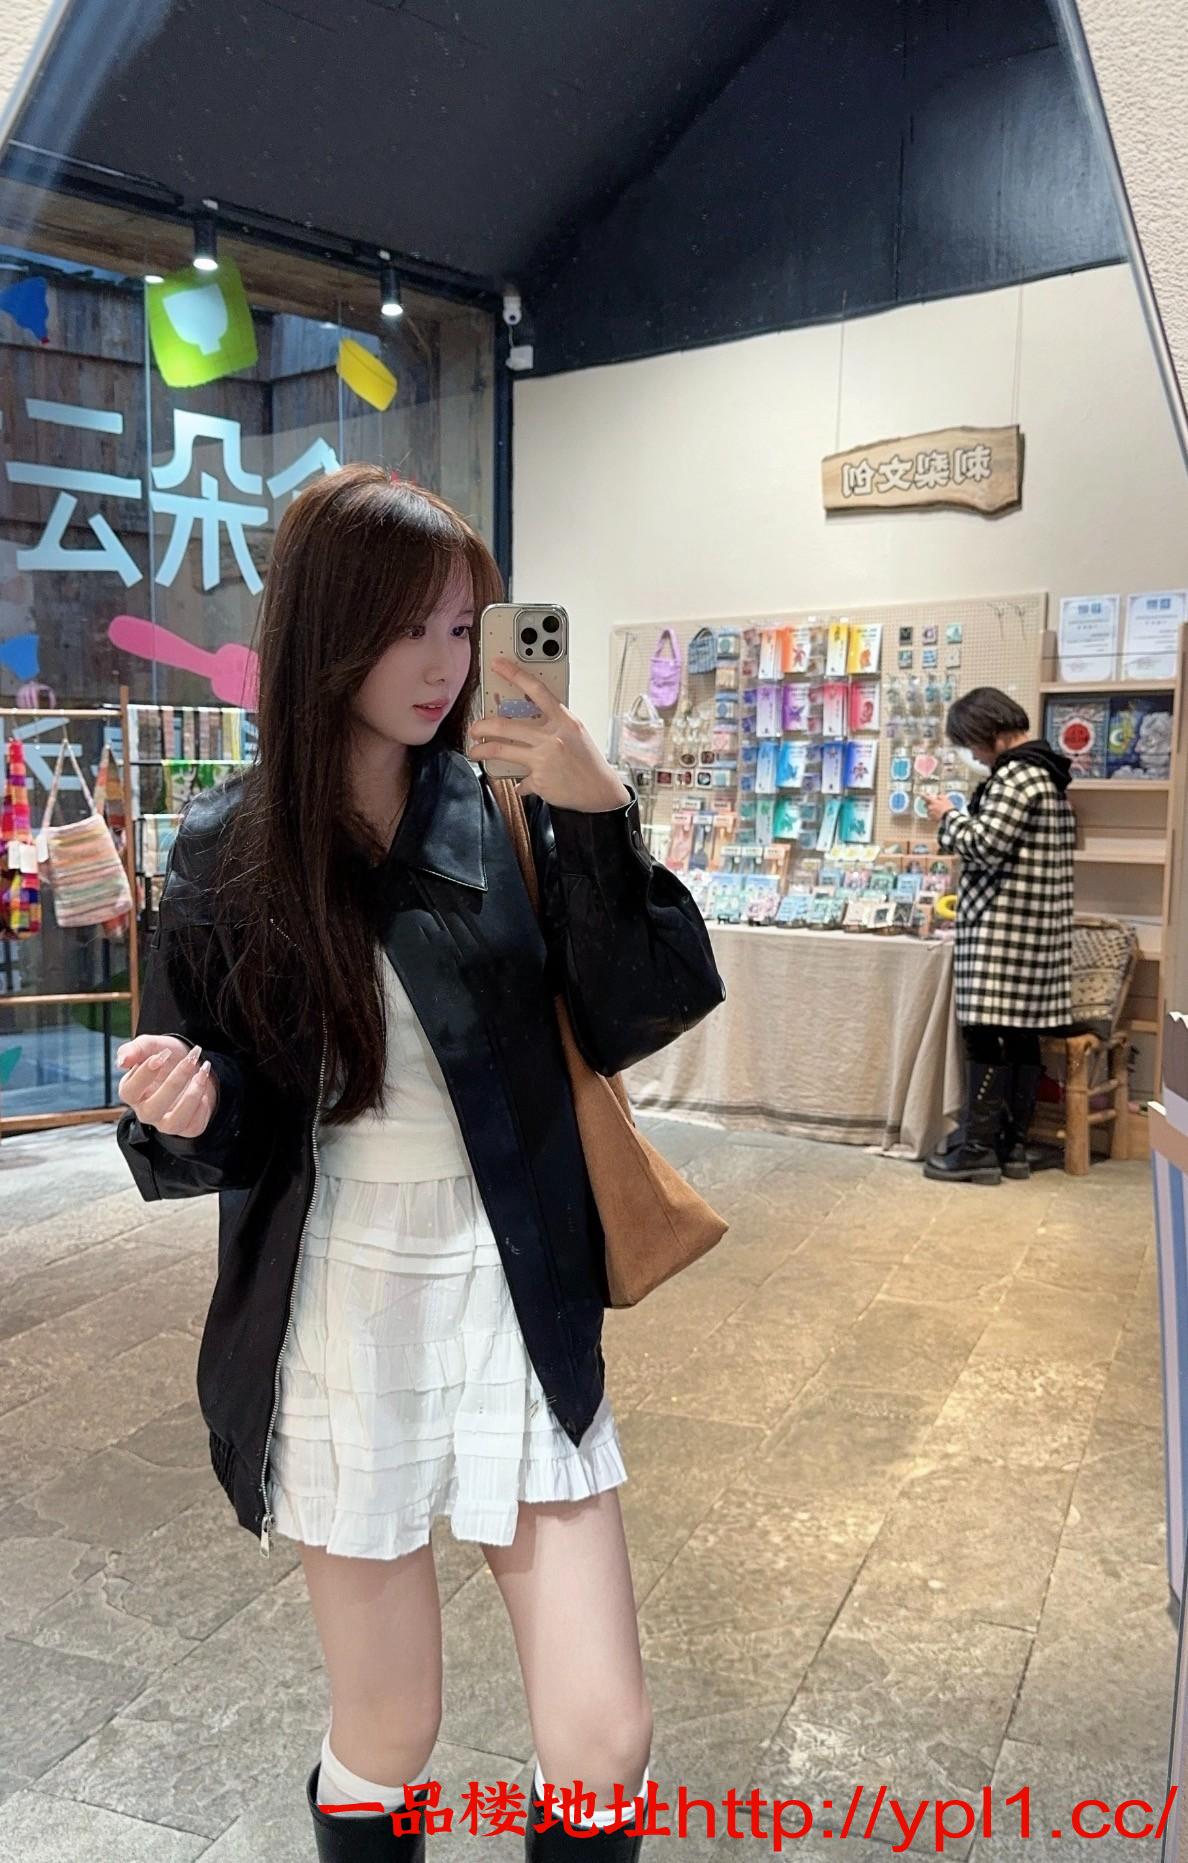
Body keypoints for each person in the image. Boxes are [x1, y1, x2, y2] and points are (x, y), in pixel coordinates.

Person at [113, 464, 725, 1862]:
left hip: (513, 1277)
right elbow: (215, 1115)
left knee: (604, 1738)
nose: (445, 665)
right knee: (388, 1729)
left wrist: (595, 806)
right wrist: (186, 1110)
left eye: (464, 626)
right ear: (324, 629)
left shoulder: (509, 807)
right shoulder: (227, 847)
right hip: (338, 1296)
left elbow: (639, 1008)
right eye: (409, 628)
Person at [922, 686, 1075, 1185]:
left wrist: (948, 816)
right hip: (1035, 933)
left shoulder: (1016, 776)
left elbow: (984, 844)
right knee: (1022, 1038)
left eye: (972, 743)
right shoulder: (1048, 774)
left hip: (1001, 934)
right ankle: (1012, 1147)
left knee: (987, 1036)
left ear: (988, 733)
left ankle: (978, 1149)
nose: (974, 754)